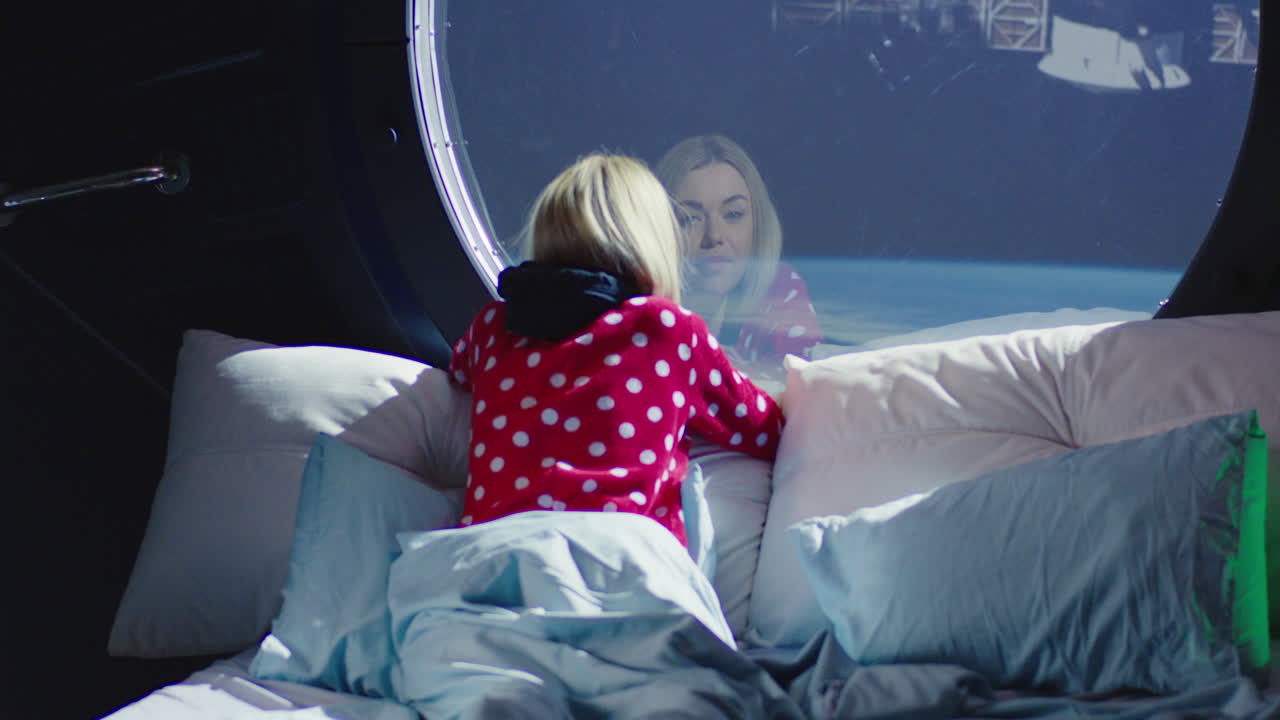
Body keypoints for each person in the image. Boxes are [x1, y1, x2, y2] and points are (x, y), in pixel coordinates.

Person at [447, 152, 784, 547]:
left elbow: (460, 374)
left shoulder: (492, 327)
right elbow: (766, 431)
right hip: (611, 560)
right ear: (652, 240)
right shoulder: (666, 329)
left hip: (482, 555)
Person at [655, 135, 823, 374]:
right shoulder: (639, 306)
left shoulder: (778, 287)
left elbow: (806, 381)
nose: (713, 236)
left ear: (758, 222)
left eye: (733, 214)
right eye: (690, 218)